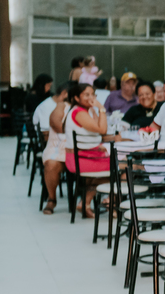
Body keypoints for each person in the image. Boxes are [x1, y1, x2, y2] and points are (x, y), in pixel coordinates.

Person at [58, 82, 110, 218]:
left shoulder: (88, 110)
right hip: (80, 159)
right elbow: (102, 130)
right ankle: (111, 202)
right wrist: (101, 108)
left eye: (92, 94)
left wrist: (96, 110)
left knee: (116, 166)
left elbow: (101, 131)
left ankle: (86, 203)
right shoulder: (79, 112)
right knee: (119, 169)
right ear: (76, 98)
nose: (91, 97)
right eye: (86, 94)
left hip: (87, 155)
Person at [35, 86, 69, 215]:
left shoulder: (88, 109)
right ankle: (51, 198)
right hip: (57, 145)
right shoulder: (53, 107)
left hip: (81, 148)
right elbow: (45, 132)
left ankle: (86, 200)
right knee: (51, 163)